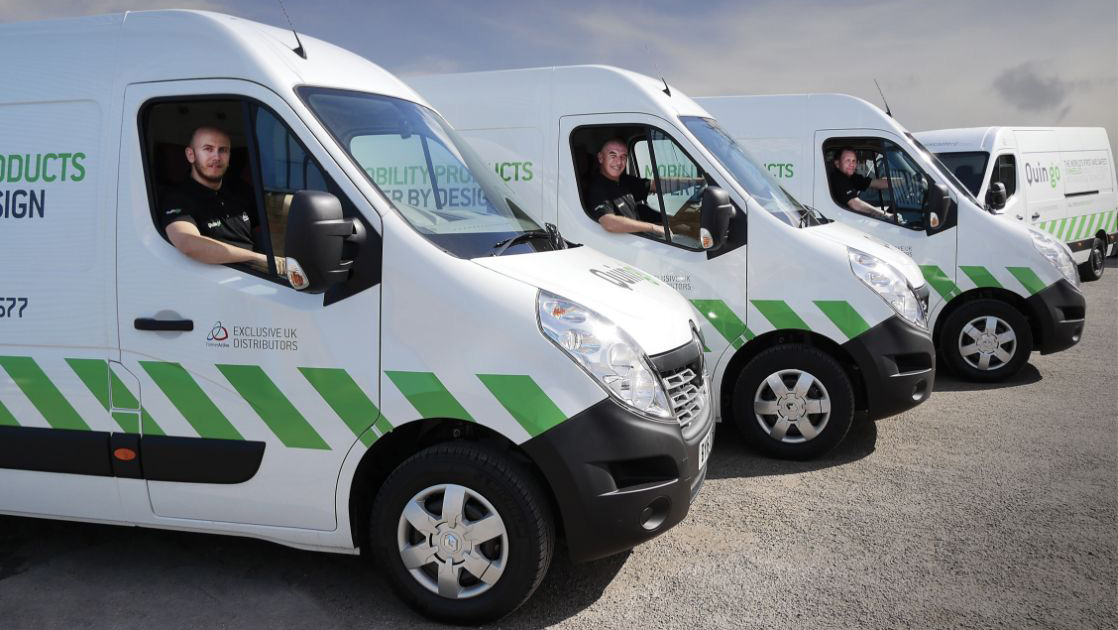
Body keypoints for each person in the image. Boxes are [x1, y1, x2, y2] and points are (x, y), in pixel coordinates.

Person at [161, 126, 283, 274]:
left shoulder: (240, 189)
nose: (217, 157)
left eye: (223, 150)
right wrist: (260, 260)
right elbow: (188, 243)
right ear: (190, 155)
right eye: (208, 149)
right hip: (217, 281)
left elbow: (272, 225)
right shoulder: (177, 197)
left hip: (258, 278)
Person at [585, 138, 666, 235]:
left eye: (623, 157)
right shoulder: (597, 187)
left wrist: (687, 182)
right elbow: (610, 223)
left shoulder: (624, 180)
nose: (619, 162)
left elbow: (655, 185)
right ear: (601, 158)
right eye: (613, 155)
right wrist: (653, 227)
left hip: (640, 240)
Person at [830, 147, 890, 217]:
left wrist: (904, 180)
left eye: (854, 161)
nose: (851, 164)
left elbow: (878, 183)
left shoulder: (851, 176)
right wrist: (886, 215)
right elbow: (856, 204)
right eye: (847, 160)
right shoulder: (837, 178)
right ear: (837, 163)